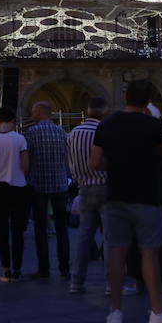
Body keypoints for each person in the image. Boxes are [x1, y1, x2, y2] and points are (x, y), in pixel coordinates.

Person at [90, 79, 162, 323]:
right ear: (147, 101)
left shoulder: (107, 124)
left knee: (116, 254)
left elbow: (95, 163)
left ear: (126, 97)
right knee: (149, 254)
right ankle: (157, 311)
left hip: (115, 195)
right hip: (147, 196)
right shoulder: (153, 125)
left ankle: (115, 312)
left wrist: (117, 163)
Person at [24, 101, 71, 280]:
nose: (31, 113)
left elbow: (27, 161)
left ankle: (44, 269)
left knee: (40, 229)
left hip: (39, 185)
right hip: (60, 184)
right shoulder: (61, 132)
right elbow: (66, 158)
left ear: (38, 112)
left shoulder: (32, 133)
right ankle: (64, 268)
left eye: (33, 111)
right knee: (62, 229)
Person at [67, 98, 108, 293]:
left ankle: (76, 281)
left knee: (84, 236)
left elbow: (69, 160)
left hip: (84, 188)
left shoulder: (74, 133)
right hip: (104, 186)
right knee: (109, 237)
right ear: (104, 113)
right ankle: (111, 284)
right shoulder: (104, 131)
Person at [0, 106, 30, 282]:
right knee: (18, 230)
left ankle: (5, 269)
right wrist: (20, 176)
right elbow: (25, 163)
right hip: (17, 185)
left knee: (2, 229)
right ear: (12, 120)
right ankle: (17, 268)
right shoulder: (20, 139)